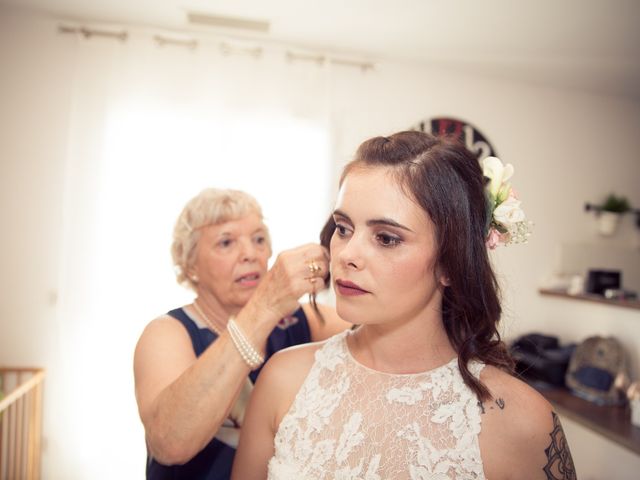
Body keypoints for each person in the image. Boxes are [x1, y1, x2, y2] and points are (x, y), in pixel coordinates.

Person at [232, 131, 577, 479]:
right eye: (343, 228)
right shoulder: (284, 379)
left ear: (449, 263)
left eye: (386, 238)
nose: (347, 255)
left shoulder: (522, 420)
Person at [133, 188, 349, 480]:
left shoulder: (298, 319)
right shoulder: (167, 334)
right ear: (191, 265)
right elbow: (170, 443)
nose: (250, 254)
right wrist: (265, 305)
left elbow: (377, 335)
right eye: (226, 243)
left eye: (259, 239)